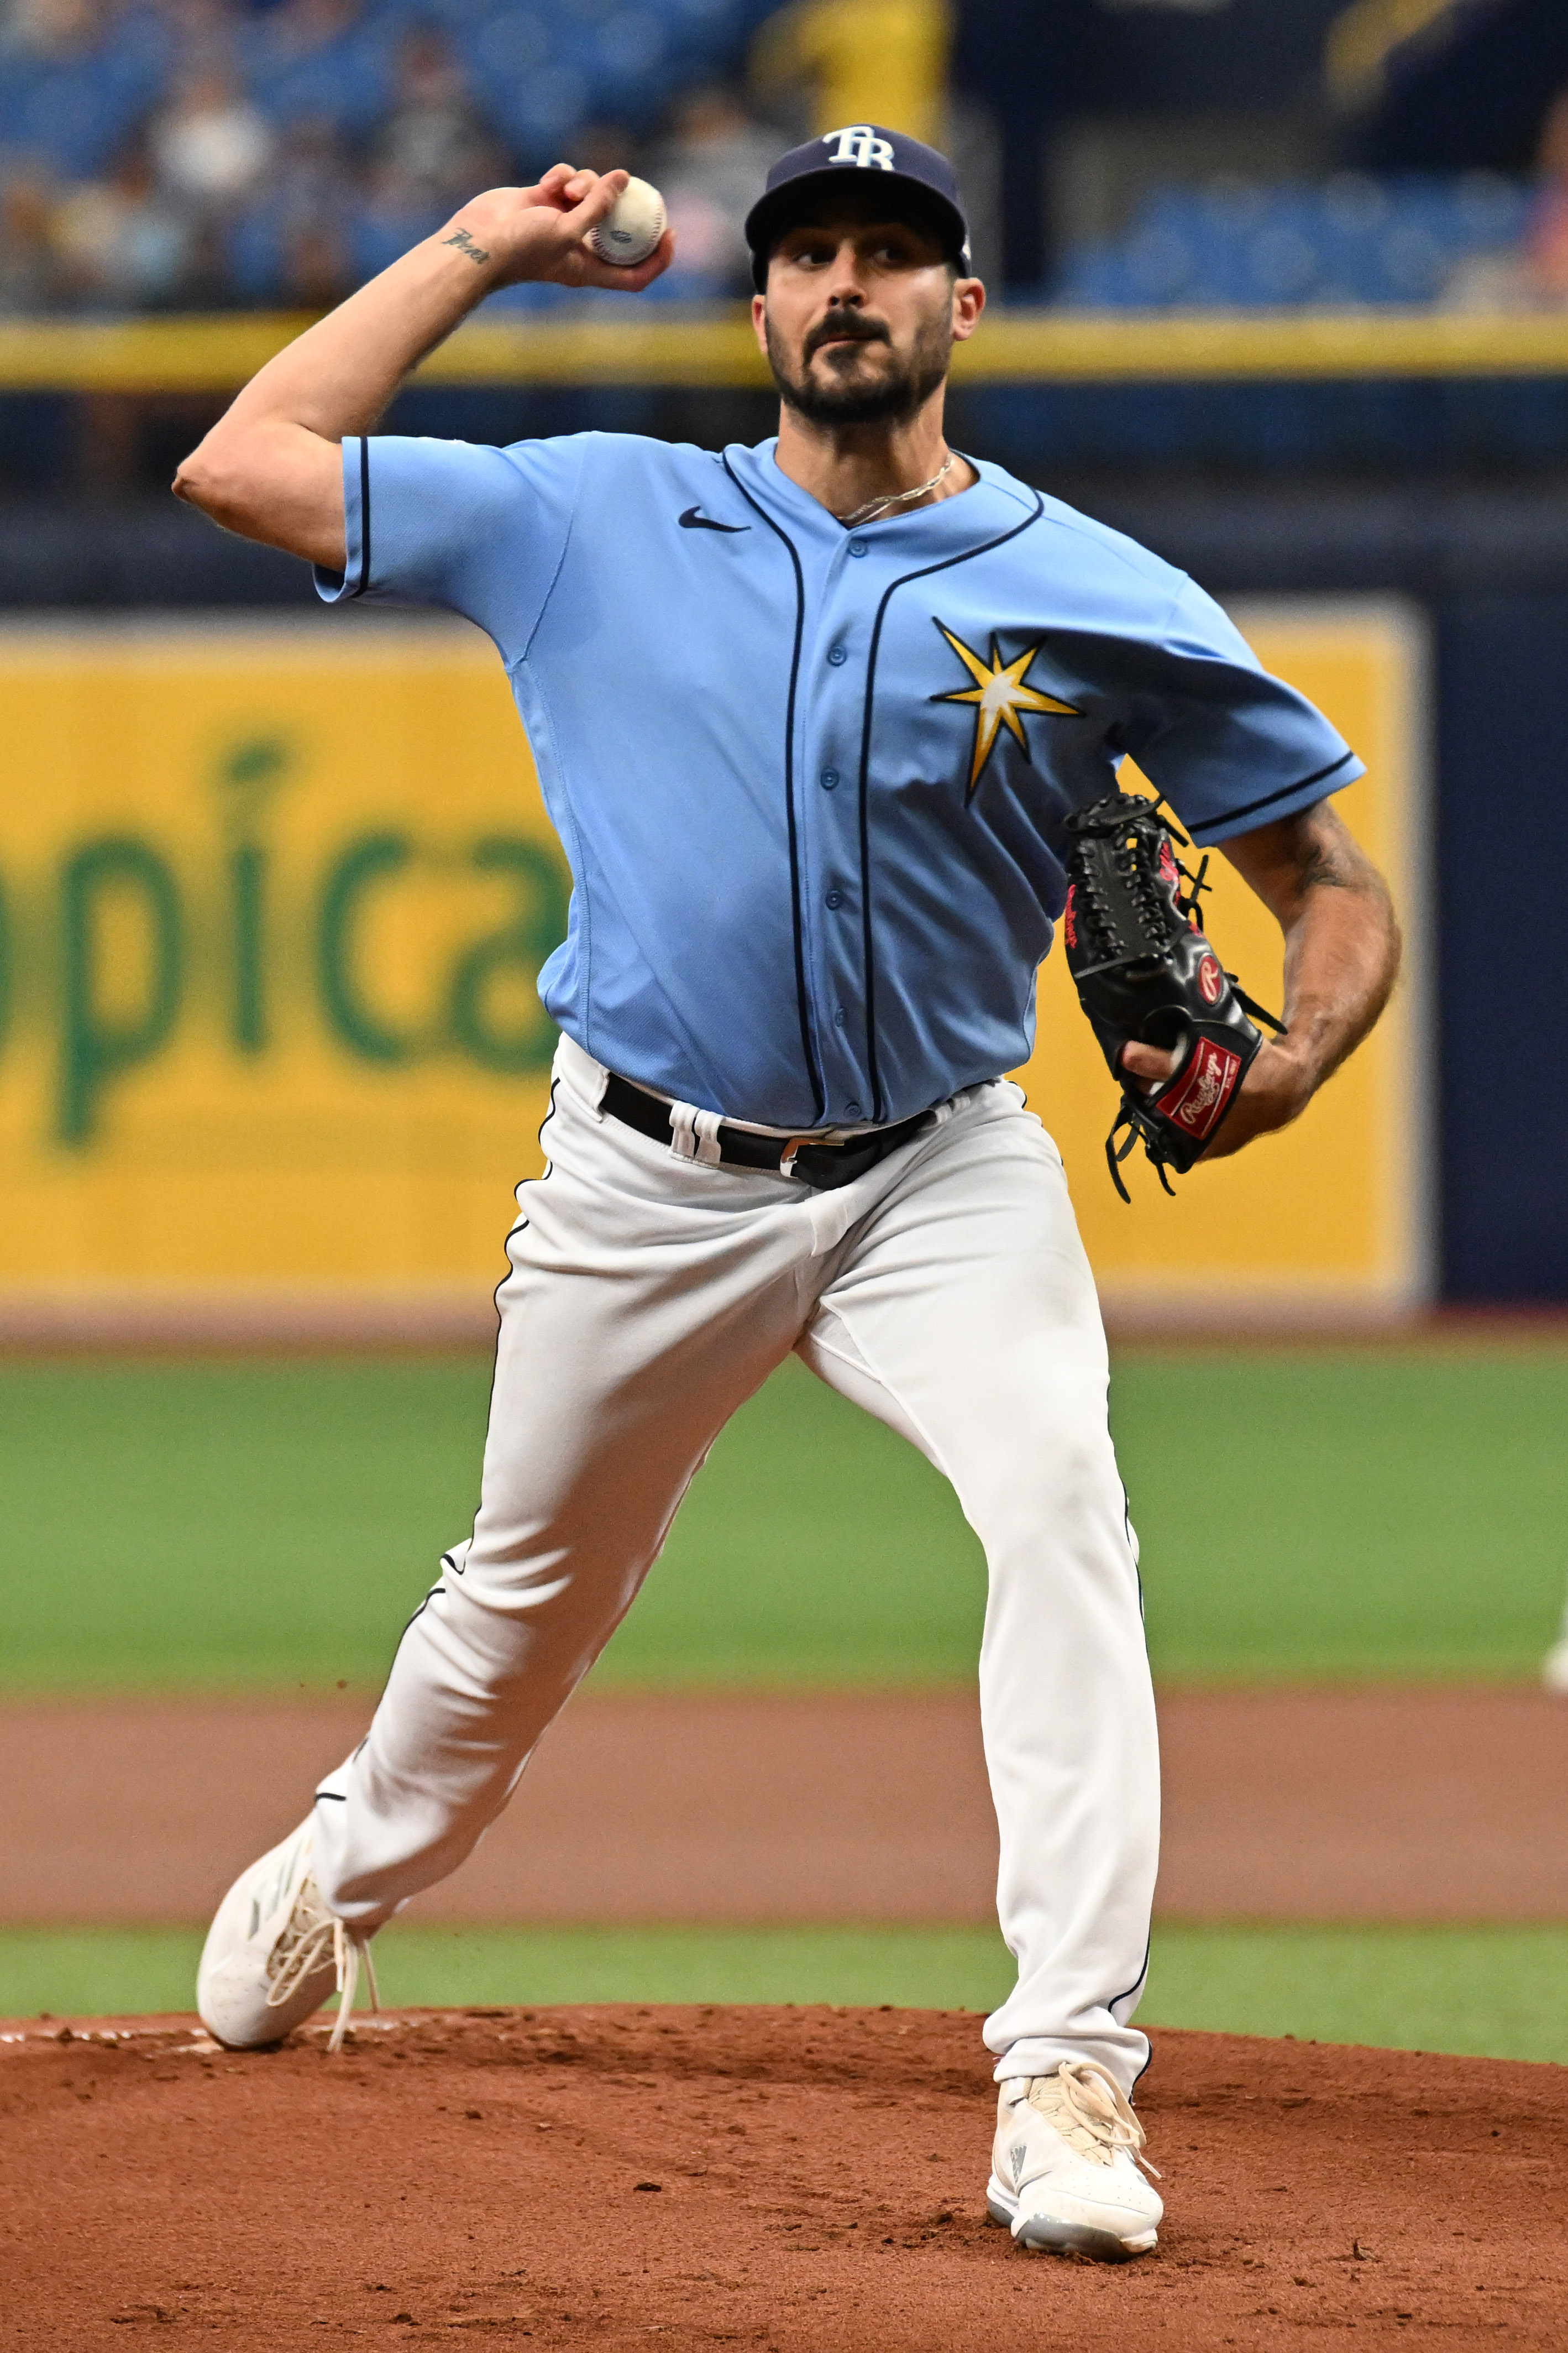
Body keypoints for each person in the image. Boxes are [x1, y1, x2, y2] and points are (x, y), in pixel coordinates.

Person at [172, 124, 1399, 2264]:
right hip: (647, 1175)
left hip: (944, 1168)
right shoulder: (588, 512)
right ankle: (338, 1873)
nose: (851, 283)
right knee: (523, 1609)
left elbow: (1331, 881)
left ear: (961, 310)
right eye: (813, 251)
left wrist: (1293, 1061)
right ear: (757, 307)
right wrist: (484, 245)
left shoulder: (1099, 591)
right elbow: (245, 462)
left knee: (1063, 1506)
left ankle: (1069, 2072)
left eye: (895, 254)